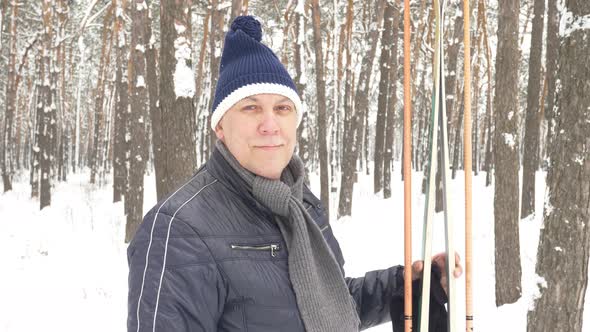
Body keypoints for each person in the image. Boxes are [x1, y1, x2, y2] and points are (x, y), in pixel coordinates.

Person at [127, 15, 462, 332]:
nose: (270, 124)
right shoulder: (178, 229)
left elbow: (327, 305)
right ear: (220, 126)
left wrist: (405, 283)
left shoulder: (299, 202)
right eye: (251, 107)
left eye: (282, 108)